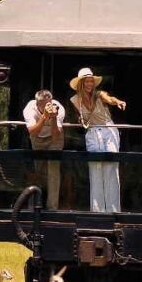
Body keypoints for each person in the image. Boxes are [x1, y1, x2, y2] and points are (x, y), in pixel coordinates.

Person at [70, 67, 127, 214]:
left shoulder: (99, 94)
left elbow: (110, 99)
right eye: (86, 81)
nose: (90, 84)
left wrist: (118, 101)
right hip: (92, 133)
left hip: (108, 130)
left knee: (111, 170)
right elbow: (78, 118)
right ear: (81, 84)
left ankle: (114, 212)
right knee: (95, 170)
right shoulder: (75, 100)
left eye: (91, 81)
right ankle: (97, 212)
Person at [23, 87, 66, 209]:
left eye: (50, 103)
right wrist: (43, 116)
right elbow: (32, 132)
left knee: (53, 169)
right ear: (37, 104)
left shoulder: (59, 108)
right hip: (37, 137)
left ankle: (52, 207)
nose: (48, 106)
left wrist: (53, 117)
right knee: (38, 169)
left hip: (54, 138)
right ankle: (36, 205)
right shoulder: (29, 109)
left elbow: (56, 135)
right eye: (44, 104)